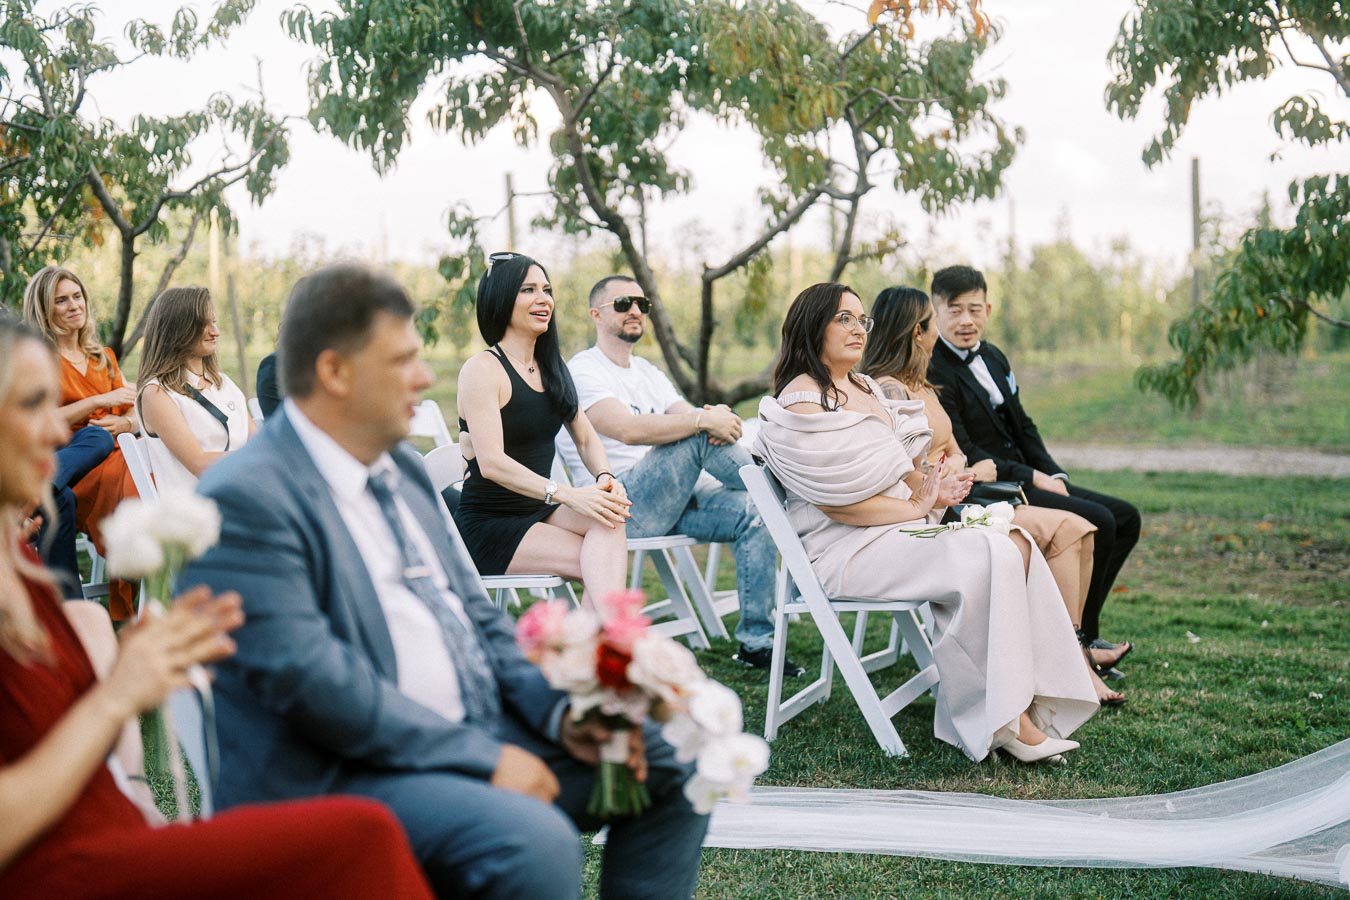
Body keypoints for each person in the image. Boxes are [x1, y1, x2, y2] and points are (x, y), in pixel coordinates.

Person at [180, 264, 709, 898]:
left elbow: (477, 617)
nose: (425, 379)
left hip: (471, 729)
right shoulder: (245, 499)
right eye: (403, 360)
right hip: (346, 775)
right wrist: (485, 760)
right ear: (335, 372)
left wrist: (564, 715)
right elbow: (318, 684)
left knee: (670, 764)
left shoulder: (400, 468)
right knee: (531, 838)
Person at [0, 313, 434, 899]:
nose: (59, 432)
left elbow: (106, 772)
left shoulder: (30, 582)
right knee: (364, 833)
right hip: (63, 871)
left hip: (123, 840)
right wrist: (117, 695)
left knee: (360, 825)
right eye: (32, 405)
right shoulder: (160, 396)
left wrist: (150, 804)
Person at [754, 282, 1099, 763]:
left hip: (890, 534)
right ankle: (1004, 719)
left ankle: (1022, 703)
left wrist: (932, 488)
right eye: (843, 319)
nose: (858, 329)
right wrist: (918, 507)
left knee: (1011, 540)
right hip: (846, 550)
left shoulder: (864, 386)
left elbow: (898, 470)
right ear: (813, 327)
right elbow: (839, 504)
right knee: (988, 550)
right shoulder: (803, 399)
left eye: (862, 319)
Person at [863, 286, 1125, 706]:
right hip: (938, 513)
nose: (939, 332)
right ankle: (1063, 664)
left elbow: (953, 449)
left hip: (964, 489)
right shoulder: (888, 390)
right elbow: (903, 467)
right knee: (1071, 531)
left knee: (1082, 529)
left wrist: (964, 466)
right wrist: (963, 470)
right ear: (918, 332)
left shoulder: (923, 384)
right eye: (933, 322)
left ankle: (1071, 655)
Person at [556, 274, 800, 675]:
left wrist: (711, 420)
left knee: (758, 511)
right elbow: (628, 430)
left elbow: (686, 415)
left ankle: (757, 643)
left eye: (642, 304)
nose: (635, 310)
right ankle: (781, 483)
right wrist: (707, 420)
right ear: (595, 314)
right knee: (699, 434)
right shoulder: (583, 371)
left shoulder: (647, 371)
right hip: (618, 508)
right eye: (623, 304)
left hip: (671, 499)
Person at [926, 265, 1139, 676]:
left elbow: (1022, 424)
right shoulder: (935, 370)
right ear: (936, 313)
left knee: (1126, 517)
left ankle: (1085, 635)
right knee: (1100, 521)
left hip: (1028, 475)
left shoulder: (992, 355)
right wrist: (1032, 478)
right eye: (954, 311)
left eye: (974, 309)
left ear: (988, 308)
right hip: (990, 488)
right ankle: (1075, 646)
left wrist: (1054, 474)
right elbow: (967, 452)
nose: (966, 320)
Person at [453, 253, 630, 602]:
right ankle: (610, 647)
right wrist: (568, 494)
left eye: (547, 290)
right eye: (528, 290)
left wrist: (604, 478)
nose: (543, 299)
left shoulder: (551, 366)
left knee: (610, 519)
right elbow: (491, 463)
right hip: (489, 525)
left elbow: (585, 434)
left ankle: (597, 649)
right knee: (596, 561)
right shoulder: (482, 370)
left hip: (538, 510)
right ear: (502, 299)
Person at [22, 266, 139, 618]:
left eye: (77, 296)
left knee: (104, 442)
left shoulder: (103, 357)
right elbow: (37, 422)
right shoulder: (37, 359)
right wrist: (100, 403)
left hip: (108, 454)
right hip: (63, 456)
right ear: (45, 309)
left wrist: (126, 420)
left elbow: (135, 416)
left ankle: (39, 491)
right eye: (61, 300)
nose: (74, 305)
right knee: (94, 438)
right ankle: (75, 611)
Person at [135, 287, 256, 495]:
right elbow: (199, 464)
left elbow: (256, 441)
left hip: (239, 495)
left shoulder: (223, 383)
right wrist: (261, 458)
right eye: (203, 324)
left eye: (214, 322)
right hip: (197, 511)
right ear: (177, 329)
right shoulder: (157, 394)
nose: (215, 332)